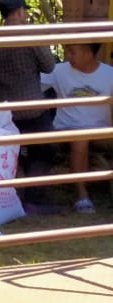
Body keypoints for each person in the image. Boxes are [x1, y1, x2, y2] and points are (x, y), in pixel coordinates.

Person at [0, 0, 58, 213]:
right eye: (24, 11)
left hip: (3, 107)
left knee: (7, 151)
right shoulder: (30, 36)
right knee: (46, 148)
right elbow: (49, 66)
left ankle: (8, 194)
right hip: (31, 106)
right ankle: (34, 197)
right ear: (19, 12)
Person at [41, 42, 113, 215]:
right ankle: (82, 196)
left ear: (89, 54)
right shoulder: (58, 71)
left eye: (73, 52)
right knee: (80, 138)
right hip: (67, 129)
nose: (68, 57)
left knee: (85, 136)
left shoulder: (109, 74)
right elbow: (31, 85)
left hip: (101, 131)